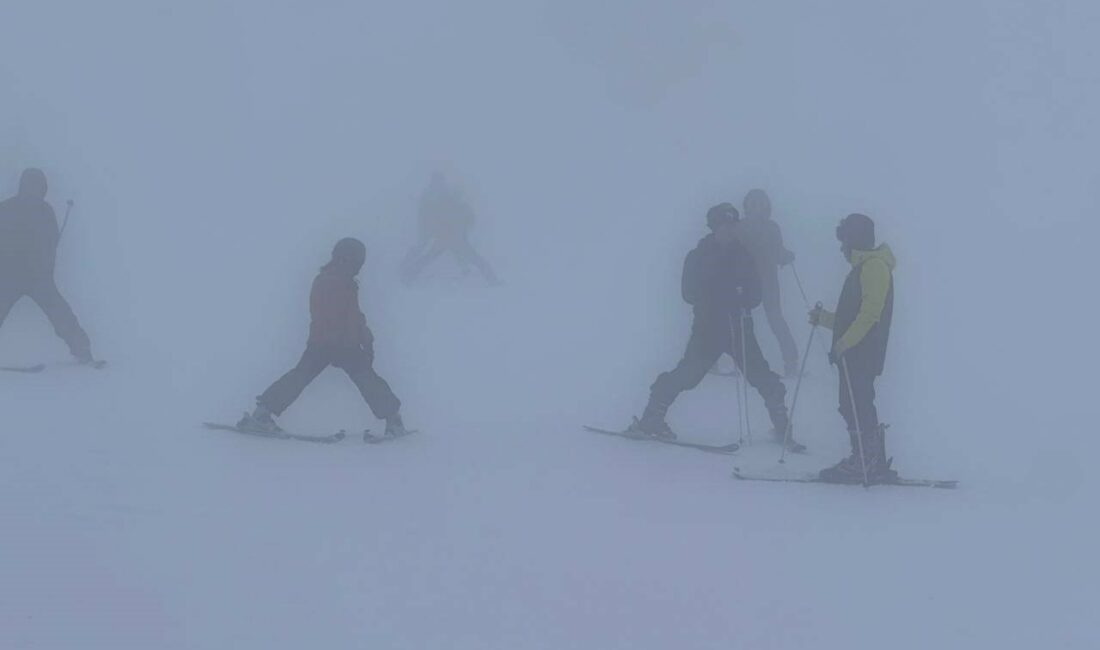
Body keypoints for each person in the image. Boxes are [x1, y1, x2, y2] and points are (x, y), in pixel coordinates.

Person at [628, 203, 794, 446]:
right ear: (714, 227)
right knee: (687, 375)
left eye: (733, 226)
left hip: (740, 327)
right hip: (708, 329)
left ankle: (782, 425)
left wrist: (742, 298)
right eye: (724, 226)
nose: (729, 230)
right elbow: (688, 293)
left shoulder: (745, 256)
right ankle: (651, 419)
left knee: (761, 376)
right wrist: (721, 295)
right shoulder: (698, 256)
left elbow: (756, 295)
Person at [238, 238, 409, 441]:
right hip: (331, 343)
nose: (358, 267)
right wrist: (349, 343)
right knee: (361, 378)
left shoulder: (343, 281)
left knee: (309, 376)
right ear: (345, 259)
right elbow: (329, 316)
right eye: (357, 262)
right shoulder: (330, 281)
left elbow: (353, 315)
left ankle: (262, 413)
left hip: (331, 343)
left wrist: (365, 337)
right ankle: (393, 420)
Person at [809, 213, 897, 483]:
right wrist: (824, 319)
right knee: (852, 403)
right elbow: (850, 318)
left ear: (854, 240)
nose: (841, 248)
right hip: (855, 351)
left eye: (844, 240)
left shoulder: (874, 267)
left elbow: (870, 314)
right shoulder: (864, 267)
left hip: (862, 351)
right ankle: (868, 459)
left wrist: (844, 344)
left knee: (857, 403)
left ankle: (866, 461)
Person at [0, 168, 96, 364]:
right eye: (30, 185)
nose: (33, 190)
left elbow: (51, 244)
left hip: (37, 277)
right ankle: (81, 347)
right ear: (23, 186)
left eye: (37, 186)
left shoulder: (45, 211)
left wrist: (47, 269)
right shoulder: (7, 208)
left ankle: (81, 348)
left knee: (59, 311)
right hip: (9, 275)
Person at [735, 189, 799, 376]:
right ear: (747, 206)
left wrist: (785, 256)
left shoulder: (766, 228)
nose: (757, 207)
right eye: (754, 203)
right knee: (742, 320)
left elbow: (778, 252)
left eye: (760, 203)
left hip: (765, 281)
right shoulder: (743, 227)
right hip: (747, 281)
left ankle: (790, 362)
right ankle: (740, 361)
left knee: (774, 319)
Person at [401, 171, 499, 285]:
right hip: (452, 239)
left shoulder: (444, 203)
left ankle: (408, 276)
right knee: (475, 258)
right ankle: (492, 280)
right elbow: (468, 220)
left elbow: (466, 220)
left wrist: (435, 231)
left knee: (428, 258)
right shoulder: (453, 205)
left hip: (446, 239)